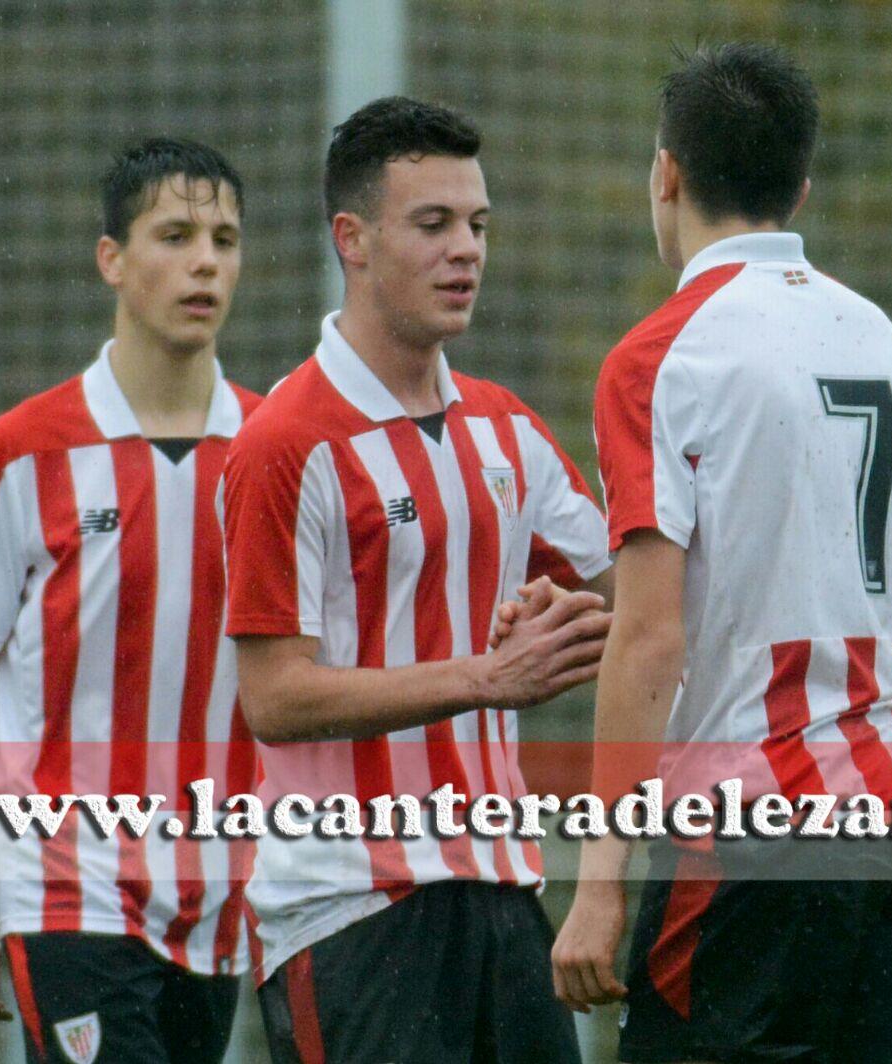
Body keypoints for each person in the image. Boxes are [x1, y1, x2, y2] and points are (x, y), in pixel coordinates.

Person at [552, 43, 892, 1064]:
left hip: (765, 822)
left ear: (666, 174)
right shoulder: (872, 332)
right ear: (801, 186)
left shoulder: (662, 356)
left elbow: (653, 637)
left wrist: (600, 879)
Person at [222, 96, 613, 1064]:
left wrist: (567, 614)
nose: (465, 250)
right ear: (350, 239)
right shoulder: (284, 443)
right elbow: (273, 695)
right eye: (432, 224)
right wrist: (482, 675)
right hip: (351, 909)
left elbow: (627, 589)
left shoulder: (504, 429)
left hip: (501, 893)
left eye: (477, 224)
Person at [0, 138, 260, 1063]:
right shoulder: (24, 451)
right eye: (176, 234)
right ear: (111, 258)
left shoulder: (274, 451)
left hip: (219, 897)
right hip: (66, 884)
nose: (205, 261)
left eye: (225, 239)